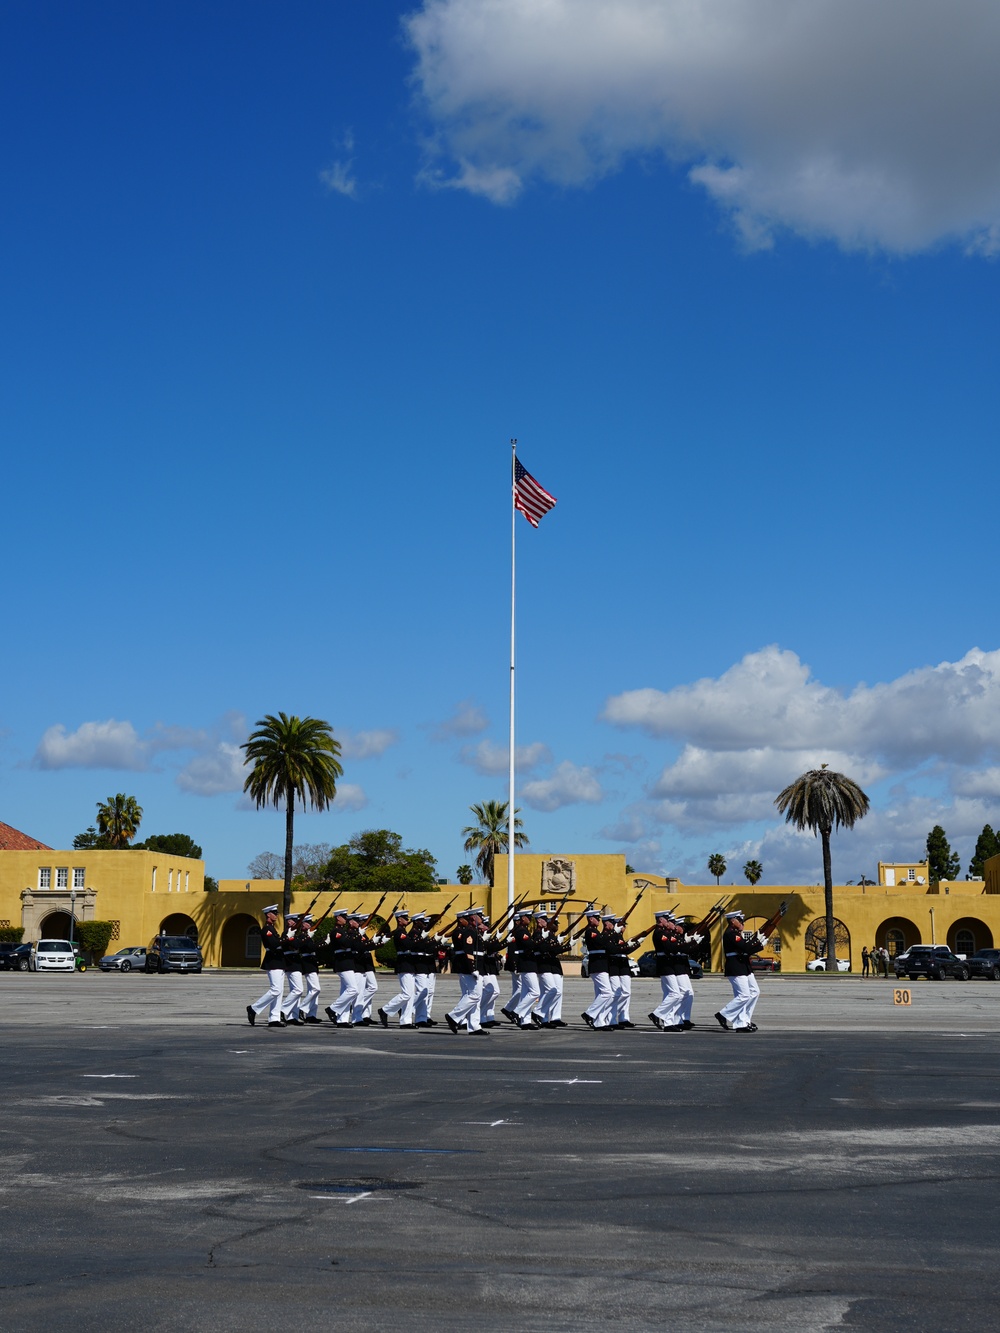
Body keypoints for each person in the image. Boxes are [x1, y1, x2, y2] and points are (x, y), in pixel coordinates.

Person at [715, 909, 767, 1032]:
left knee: (754, 992)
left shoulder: (737, 933)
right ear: (733, 921)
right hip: (736, 966)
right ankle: (724, 1015)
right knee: (744, 995)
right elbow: (745, 948)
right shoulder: (731, 934)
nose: (742, 923)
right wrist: (758, 942)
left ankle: (744, 1021)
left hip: (743, 966)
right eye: (740, 920)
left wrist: (758, 943)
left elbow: (746, 948)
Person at [445, 908, 488, 1035]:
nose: (481, 918)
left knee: (476, 997)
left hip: (476, 967)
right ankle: (453, 1016)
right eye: (480, 916)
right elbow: (468, 951)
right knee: (474, 995)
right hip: (470, 968)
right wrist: (473, 969)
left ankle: (474, 1026)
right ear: (473, 918)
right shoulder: (469, 932)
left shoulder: (474, 931)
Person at [378, 909, 419, 1028]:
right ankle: (385, 1010)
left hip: (409, 963)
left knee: (410, 994)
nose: (407, 920)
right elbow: (409, 945)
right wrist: (418, 938)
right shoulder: (400, 932)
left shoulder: (403, 932)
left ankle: (406, 1021)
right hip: (404, 964)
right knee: (406, 993)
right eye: (405, 918)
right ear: (399, 920)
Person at [247, 905, 286, 1028]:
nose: (276, 915)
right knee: (275, 990)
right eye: (274, 913)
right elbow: (274, 944)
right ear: (268, 914)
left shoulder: (273, 929)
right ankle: (253, 1008)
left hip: (279, 961)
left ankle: (274, 1018)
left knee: (279, 992)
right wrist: (287, 938)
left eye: (277, 913)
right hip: (272, 961)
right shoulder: (266, 930)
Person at [324, 909, 363, 1027]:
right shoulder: (336, 932)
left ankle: (342, 1019)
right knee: (353, 990)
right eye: (344, 918)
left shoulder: (343, 931)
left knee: (345, 992)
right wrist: (358, 934)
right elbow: (347, 943)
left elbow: (355, 945)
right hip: (342, 962)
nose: (346, 920)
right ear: (338, 918)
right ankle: (332, 1009)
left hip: (348, 962)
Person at [581, 908, 614, 1029]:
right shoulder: (590, 931)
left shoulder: (596, 931)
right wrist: (610, 932)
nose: (599, 920)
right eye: (597, 918)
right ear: (591, 919)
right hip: (597, 965)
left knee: (601, 994)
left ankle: (599, 1022)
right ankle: (589, 1014)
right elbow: (601, 941)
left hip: (601, 965)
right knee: (607, 993)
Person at [350, 912, 380, 1025]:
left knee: (370, 988)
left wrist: (378, 942)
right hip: (360, 962)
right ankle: (355, 1007)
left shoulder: (363, 934)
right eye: (363, 921)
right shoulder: (355, 934)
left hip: (367, 962)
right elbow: (361, 947)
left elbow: (368, 945)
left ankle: (366, 1014)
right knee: (370, 988)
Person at [475, 914, 502, 1028]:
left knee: (494, 991)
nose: (486, 927)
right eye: (483, 925)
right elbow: (488, 947)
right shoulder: (477, 936)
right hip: (483, 965)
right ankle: (480, 1015)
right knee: (489, 991)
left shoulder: (483, 936)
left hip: (489, 965)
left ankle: (487, 1015)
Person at [298, 914, 323, 1024]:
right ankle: (302, 1008)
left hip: (312, 962)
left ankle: (311, 1015)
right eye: (307, 923)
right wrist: (323, 943)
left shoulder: (308, 936)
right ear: (302, 924)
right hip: (307, 962)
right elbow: (310, 948)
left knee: (313, 991)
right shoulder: (302, 936)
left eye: (310, 923)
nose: (310, 925)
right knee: (316, 989)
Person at [281, 913, 305, 1024]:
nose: (295, 922)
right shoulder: (287, 933)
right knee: (298, 990)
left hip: (295, 962)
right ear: (288, 922)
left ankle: (293, 1016)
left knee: (295, 990)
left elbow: (299, 944)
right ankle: (282, 1009)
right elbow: (297, 945)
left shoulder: (294, 933)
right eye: (293, 920)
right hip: (291, 963)